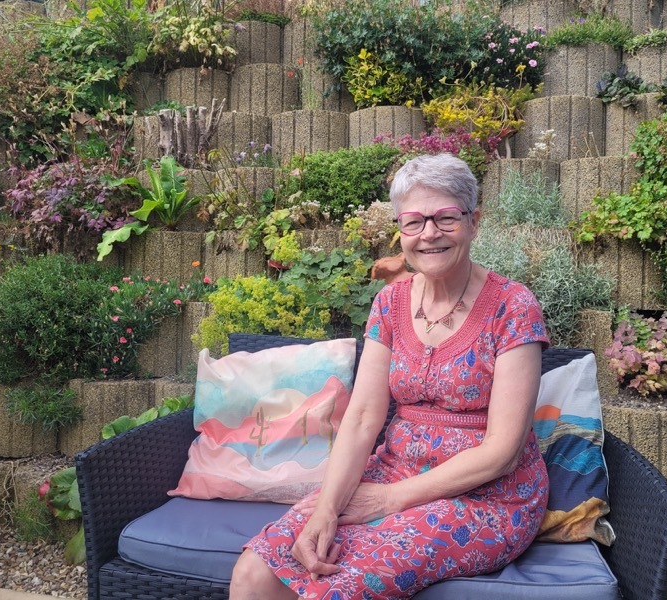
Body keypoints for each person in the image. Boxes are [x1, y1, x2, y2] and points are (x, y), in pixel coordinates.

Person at [231, 153, 550, 599]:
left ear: (474, 221)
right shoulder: (389, 303)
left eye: (446, 218)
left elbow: (503, 452)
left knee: (336, 585)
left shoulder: (513, 307)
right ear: (400, 229)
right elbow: (362, 417)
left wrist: (385, 501)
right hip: (394, 470)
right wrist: (327, 507)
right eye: (414, 222)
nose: (429, 234)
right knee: (254, 572)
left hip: (484, 497)